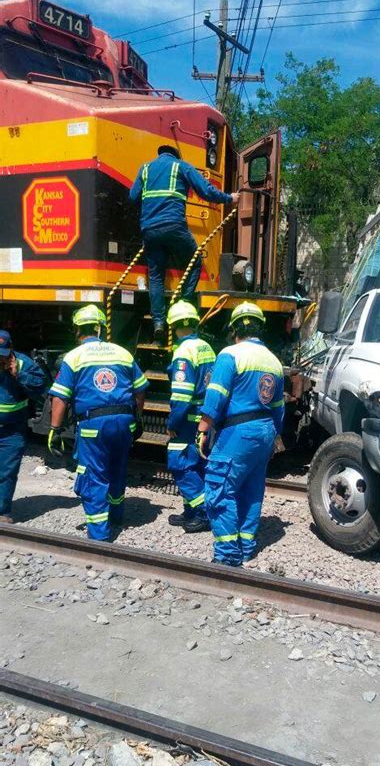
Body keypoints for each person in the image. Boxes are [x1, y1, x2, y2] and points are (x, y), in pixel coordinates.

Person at [48, 304, 149, 541]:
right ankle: (116, 515)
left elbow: (60, 396)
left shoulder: (74, 357)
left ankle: (99, 536)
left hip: (94, 424)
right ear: (100, 328)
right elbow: (140, 390)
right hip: (124, 421)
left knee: (93, 474)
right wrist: (137, 417)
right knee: (117, 467)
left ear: (77, 331)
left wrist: (54, 429)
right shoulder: (122, 353)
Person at [196, 303, 285, 566]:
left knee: (219, 488)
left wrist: (202, 429)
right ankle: (246, 546)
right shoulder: (274, 361)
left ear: (234, 327)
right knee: (250, 489)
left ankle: (227, 557)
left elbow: (216, 396)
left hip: (237, 431)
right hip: (265, 430)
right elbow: (279, 409)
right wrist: (273, 438)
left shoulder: (230, 355)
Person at [129, 145, 240, 344]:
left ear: (159, 153)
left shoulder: (145, 169)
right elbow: (206, 191)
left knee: (155, 276)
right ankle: (183, 304)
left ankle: (159, 323)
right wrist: (229, 198)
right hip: (173, 226)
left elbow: (132, 197)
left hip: (149, 229)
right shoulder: (181, 166)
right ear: (175, 155)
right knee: (195, 262)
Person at [166, 300, 215, 533]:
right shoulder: (206, 346)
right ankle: (191, 511)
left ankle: (203, 513)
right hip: (204, 416)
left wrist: (172, 423)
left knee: (180, 464)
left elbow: (182, 396)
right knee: (198, 464)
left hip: (188, 419)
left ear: (173, 326)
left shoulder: (183, 352)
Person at [0, 331, 48, 523]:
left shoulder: (24, 364)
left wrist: (19, 375)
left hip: (12, 430)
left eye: (2, 355)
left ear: (11, 350)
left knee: (6, 471)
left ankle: (2, 512)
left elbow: (41, 389)